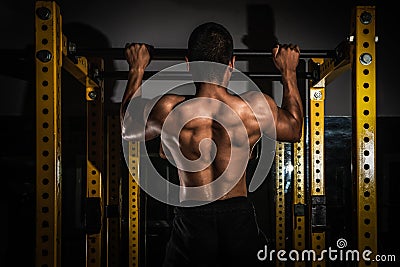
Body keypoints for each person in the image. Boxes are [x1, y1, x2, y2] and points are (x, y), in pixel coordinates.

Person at [120, 22, 303, 267]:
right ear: (231, 64)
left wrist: (137, 68)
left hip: (193, 220)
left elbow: (129, 128)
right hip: (239, 218)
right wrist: (289, 73)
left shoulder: (169, 109)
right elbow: (293, 128)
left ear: (189, 64)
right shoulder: (255, 108)